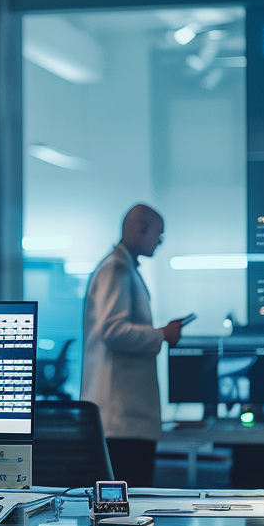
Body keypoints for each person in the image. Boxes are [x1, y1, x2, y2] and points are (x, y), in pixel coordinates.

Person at [81, 204, 184, 487]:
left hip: (126, 421)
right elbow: (113, 331)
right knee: (129, 511)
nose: (159, 243)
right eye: (159, 236)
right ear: (141, 229)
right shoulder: (117, 269)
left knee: (127, 510)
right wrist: (162, 334)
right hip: (121, 422)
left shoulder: (124, 268)